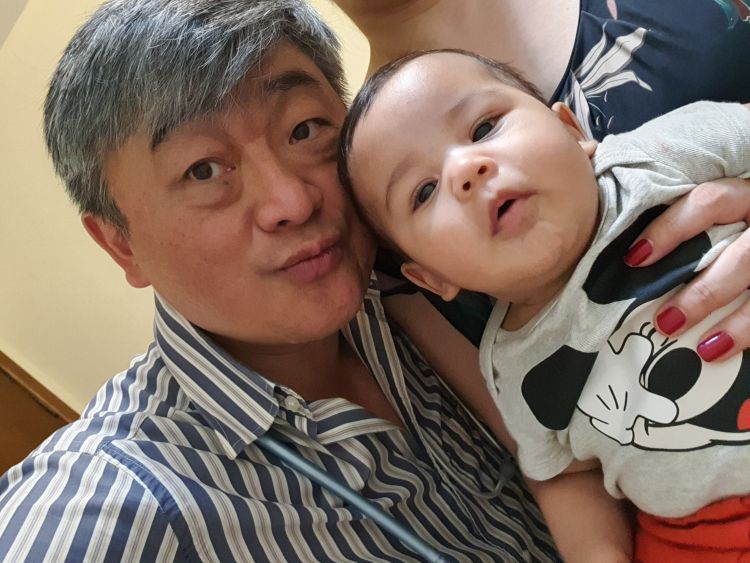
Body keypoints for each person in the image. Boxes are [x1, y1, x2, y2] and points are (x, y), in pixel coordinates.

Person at [0, 0, 748, 561]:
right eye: (203, 171)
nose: (293, 202)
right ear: (120, 244)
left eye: (304, 130)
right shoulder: (115, 502)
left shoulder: (434, 292)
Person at [338, 48, 750, 562]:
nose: (465, 169)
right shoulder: (510, 366)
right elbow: (564, 476)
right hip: (701, 533)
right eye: (423, 192)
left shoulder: (658, 155)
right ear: (431, 277)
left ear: (571, 130)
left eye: (484, 127)